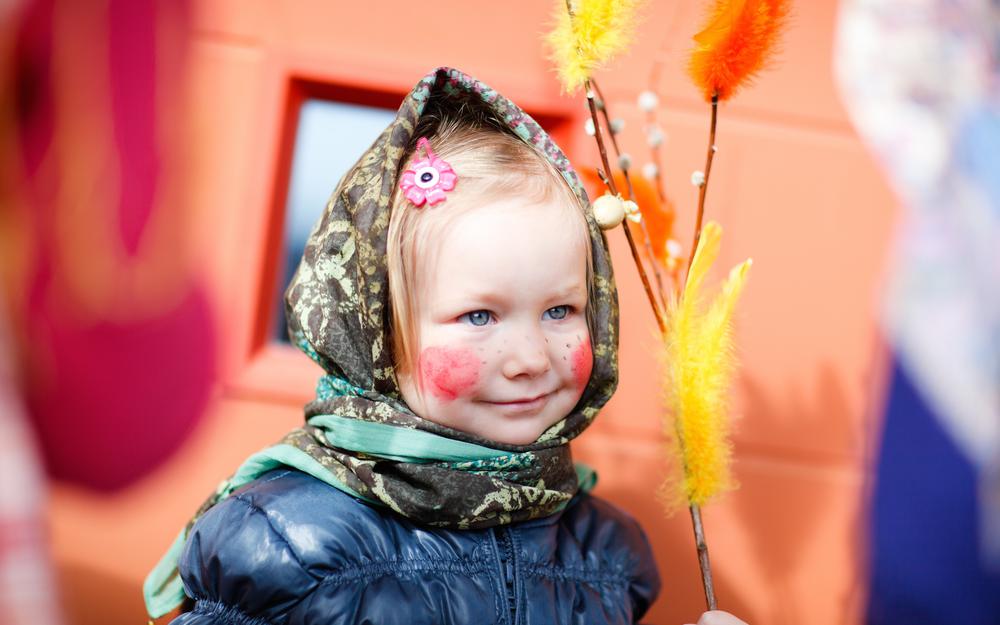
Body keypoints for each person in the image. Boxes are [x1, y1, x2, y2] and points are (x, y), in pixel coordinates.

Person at [144, 67, 747, 625]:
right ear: (376, 335)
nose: (531, 359)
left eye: (561, 310)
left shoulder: (608, 557)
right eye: (479, 316)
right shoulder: (291, 546)